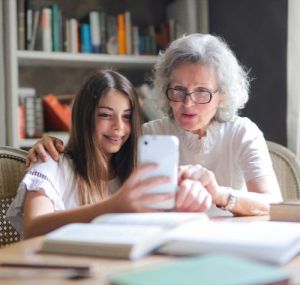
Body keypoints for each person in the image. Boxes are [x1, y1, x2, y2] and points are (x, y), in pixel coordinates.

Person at [26, 34, 282, 216]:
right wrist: (49, 144)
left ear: (222, 94)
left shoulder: (242, 132)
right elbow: (96, 154)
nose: (188, 104)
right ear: (165, 88)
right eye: (178, 90)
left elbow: (274, 204)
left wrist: (220, 195)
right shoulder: (148, 135)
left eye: (202, 92)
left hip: (233, 243)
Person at [7, 70, 212, 239]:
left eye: (127, 117)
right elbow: (33, 228)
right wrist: (113, 206)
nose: (118, 127)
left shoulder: (137, 170)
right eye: (105, 115)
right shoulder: (50, 162)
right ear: (84, 117)